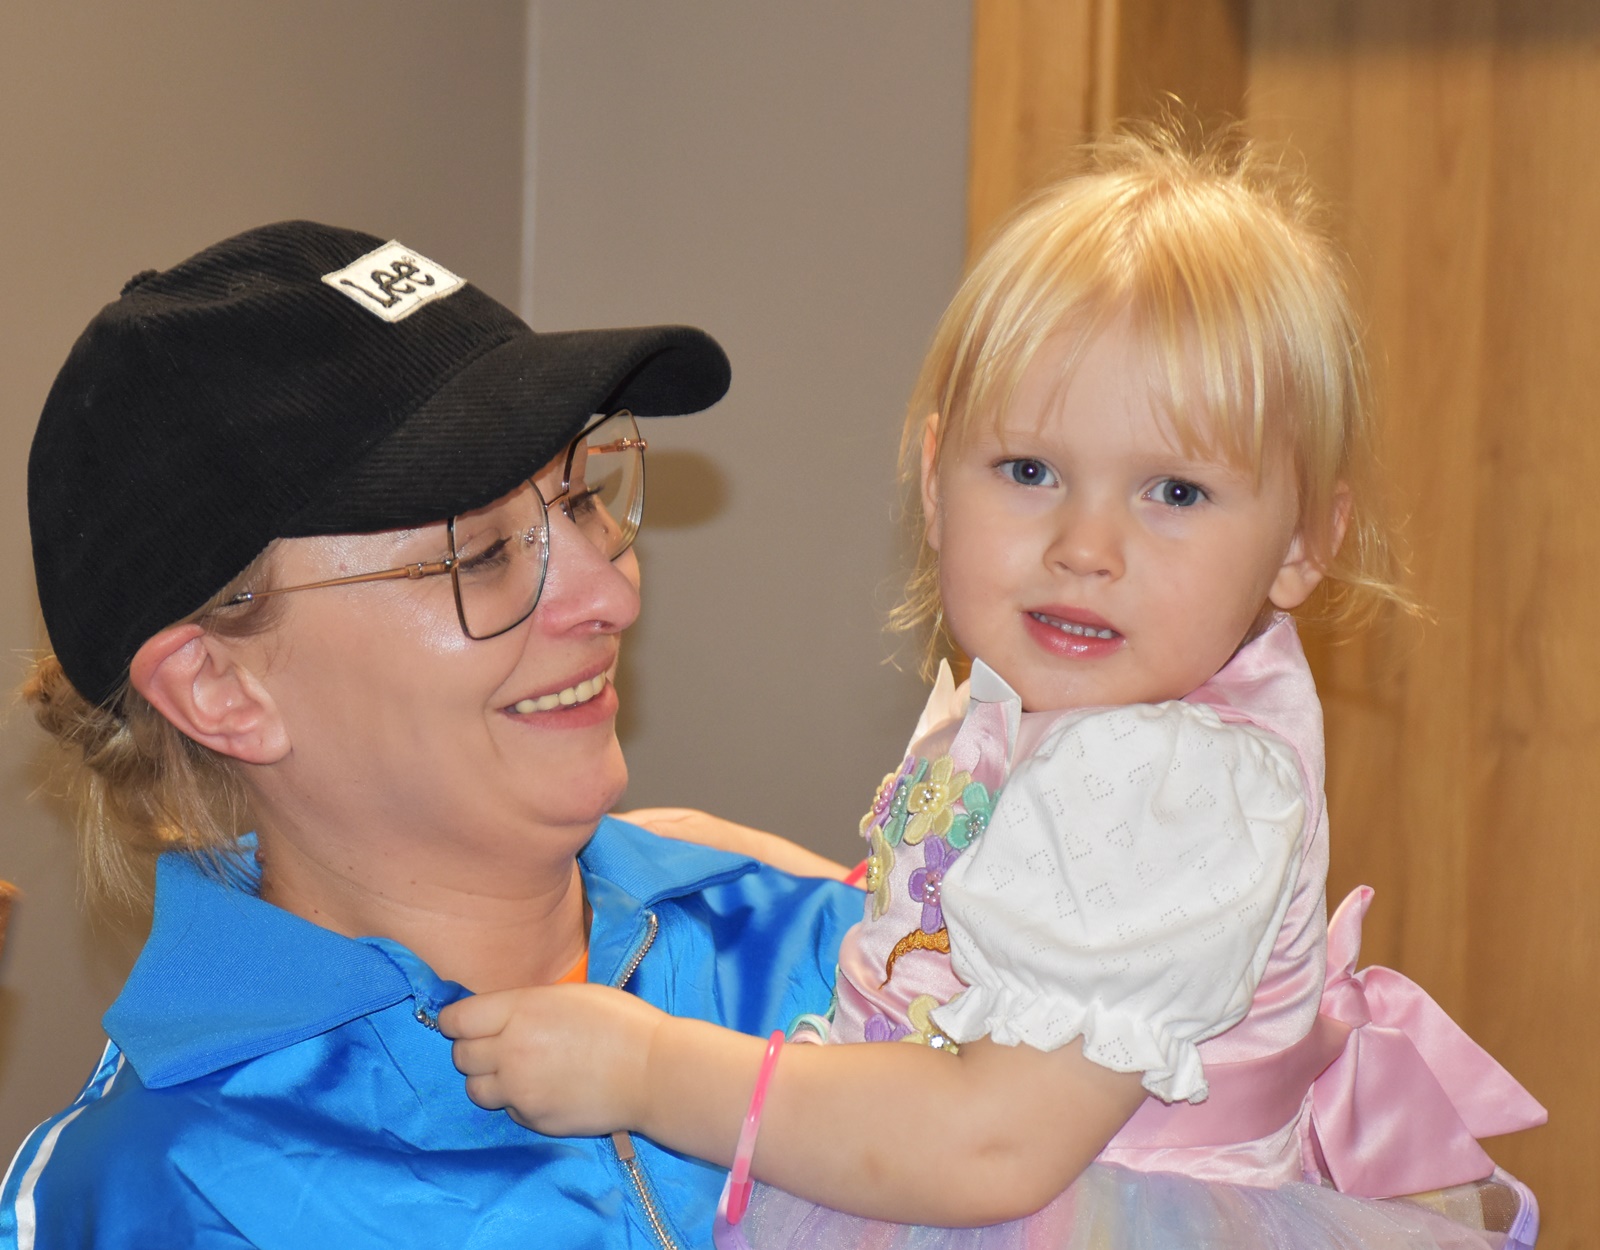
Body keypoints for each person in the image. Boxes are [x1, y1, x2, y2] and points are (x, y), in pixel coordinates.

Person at [440, 132, 1548, 1249]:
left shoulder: (1166, 782)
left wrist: (645, 1066)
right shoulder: (1075, 717)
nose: (1085, 547)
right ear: (935, 483)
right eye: (1030, 471)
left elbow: (992, 1146)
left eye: (1174, 490)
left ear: (1303, 543)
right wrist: (762, 862)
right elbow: (981, 912)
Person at [0, 221, 864, 1249]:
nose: (609, 595)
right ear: (220, 687)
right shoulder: (171, 1197)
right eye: (479, 555)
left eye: (582, 498)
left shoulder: (839, 958)